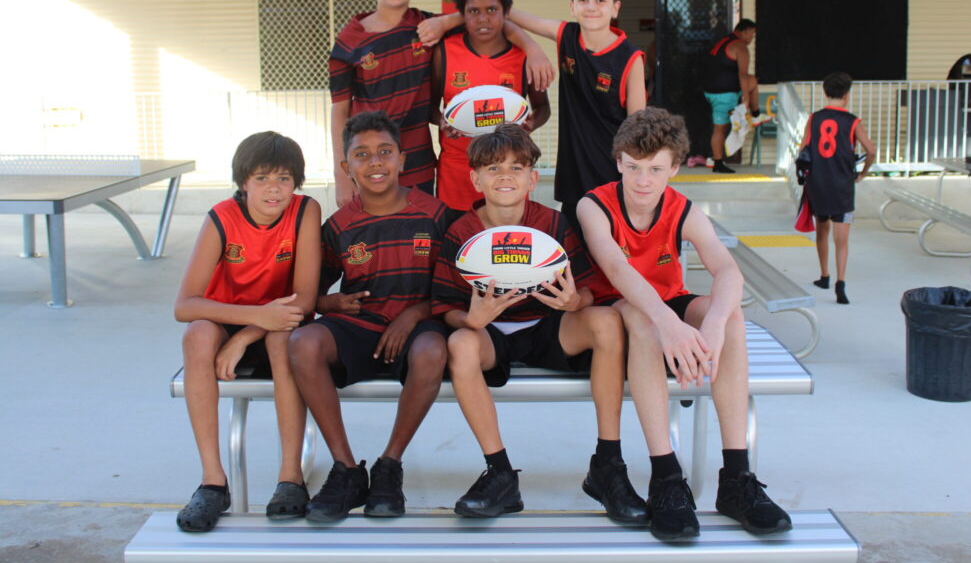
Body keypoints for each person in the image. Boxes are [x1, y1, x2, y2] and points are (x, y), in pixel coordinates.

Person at [577, 108, 792, 542]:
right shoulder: (593, 205)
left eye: (655, 169)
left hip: (667, 305)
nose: (643, 181)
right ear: (618, 162)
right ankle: (666, 477)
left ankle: (736, 478)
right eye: (633, 167)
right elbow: (617, 270)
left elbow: (728, 271)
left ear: (674, 168)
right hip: (616, 313)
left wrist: (713, 326)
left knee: (731, 315)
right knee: (645, 320)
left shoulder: (683, 210)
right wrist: (668, 324)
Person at [432, 125, 646, 523]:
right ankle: (499, 473)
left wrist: (574, 302)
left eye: (516, 168)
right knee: (460, 342)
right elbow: (444, 305)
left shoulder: (553, 224)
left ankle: (608, 464)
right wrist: (470, 318)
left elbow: (588, 289)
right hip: (490, 334)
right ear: (475, 179)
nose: (505, 176)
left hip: (548, 326)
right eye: (493, 168)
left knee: (606, 321)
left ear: (533, 178)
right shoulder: (461, 231)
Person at [288, 111, 458, 522]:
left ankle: (389, 466)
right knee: (304, 343)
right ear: (347, 167)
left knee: (433, 351)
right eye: (361, 155)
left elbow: (453, 288)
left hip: (419, 324)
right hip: (362, 323)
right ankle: (346, 469)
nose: (375, 162)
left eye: (385, 152)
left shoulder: (435, 214)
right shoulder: (338, 226)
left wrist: (413, 315)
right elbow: (310, 295)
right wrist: (329, 304)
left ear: (402, 159)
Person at [173, 131, 321, 532]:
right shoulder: (221, 218)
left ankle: (290, 478)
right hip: (229, 316)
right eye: (262, 178)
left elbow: (305, 298)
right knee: (197, 336)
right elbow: (184, 305)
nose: (274, 189)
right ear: (243, 182)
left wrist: (246, 335)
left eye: (284, 179)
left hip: (277, 321)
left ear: (296, 182)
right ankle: (212, 482)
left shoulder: (305, 211)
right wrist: (247, 321)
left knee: (282, 336)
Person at [330, 0, 554, 209]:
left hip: (418, 162)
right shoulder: (349, 41)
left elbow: (490, 19)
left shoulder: (428, 28)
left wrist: (532, 47)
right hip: (369, 163)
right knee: (372, 230)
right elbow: (339, 111)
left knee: (421, 232)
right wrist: (341, 174)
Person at [505, 0, 647, 231]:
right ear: (572, 7)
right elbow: (506, 13)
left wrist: (636, 181)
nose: (591, 6)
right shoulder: (567, 36)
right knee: (571, 249)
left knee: (607, 248)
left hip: (611, 177)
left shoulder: (630, 57)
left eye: (600, 0)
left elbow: (638, 129)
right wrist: (532, 48)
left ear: (615, 8)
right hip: (573, 173)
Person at [431, 0, 550, 212]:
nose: (483, 18)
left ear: (506, 12)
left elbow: (543, 107)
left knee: (502, 235)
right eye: (474, 11)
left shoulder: (523, 56)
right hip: (457, 172)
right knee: (456, 235)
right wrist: (442, 121)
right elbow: (429, 106)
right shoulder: (445, 52)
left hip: (506, 174)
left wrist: (529, 125)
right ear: (463, 14)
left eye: (492, 10)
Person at [800, 72, 876, 304]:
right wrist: (863, 172)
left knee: (822, 231)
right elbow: (871, 150)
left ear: (826, 92)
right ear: (846, 94)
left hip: (819, 183)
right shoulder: (853, 121)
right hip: (843, 185)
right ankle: (840, 282)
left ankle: (824, 275)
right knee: (841, 239)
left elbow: (803, 149)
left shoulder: (814, 118)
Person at [703, 19, 759, 174]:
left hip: (710, 91)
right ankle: (718, 163)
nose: (752, 38)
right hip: (724, 94)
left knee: (753, 80)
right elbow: (742, 75)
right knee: (719, 129)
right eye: (752, 34)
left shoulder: (723, 42)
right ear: (745, 31)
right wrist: (746, 99)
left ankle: (755, 113)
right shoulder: (740, 47)